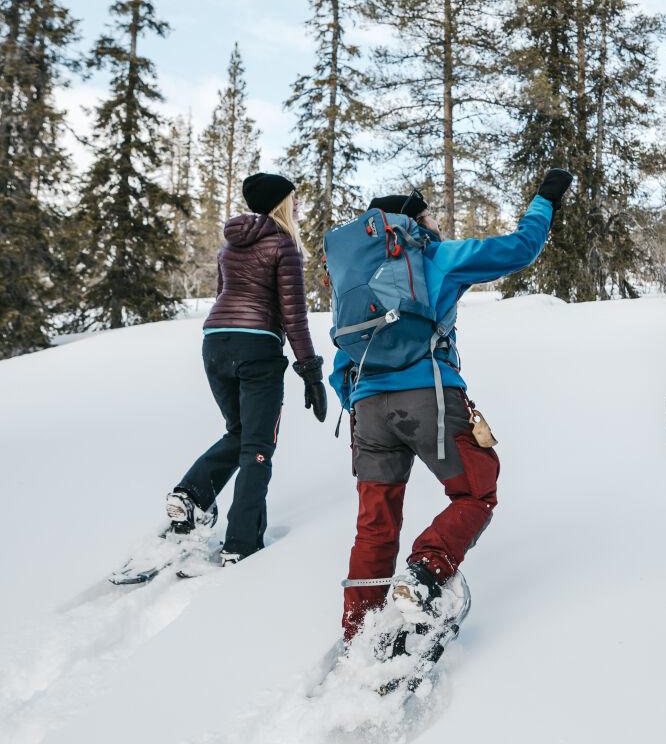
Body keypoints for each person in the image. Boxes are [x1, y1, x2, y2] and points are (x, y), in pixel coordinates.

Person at [331, 170, 572, 642]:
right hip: (430, 397)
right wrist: (545, 199)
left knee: (375, 524)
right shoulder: (434, 257)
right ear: (414, 222)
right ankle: (424, 574)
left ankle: (359, 629)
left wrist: (360, 404)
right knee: (475, 492)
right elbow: (520, 248)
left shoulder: (352, 283)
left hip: (367, 409)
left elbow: (342, 361)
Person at [167, 173, 328, 566]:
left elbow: (226, 295)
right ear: (280, 203)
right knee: (258, 447)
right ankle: (242, 543)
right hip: (257, 348)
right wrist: (310, 371)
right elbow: (294, 314)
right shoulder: (284, 245)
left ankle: (190, 495)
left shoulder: (229, 245)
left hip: (215, 345)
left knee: (241, 434)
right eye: (294, 198)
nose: (298, 205)